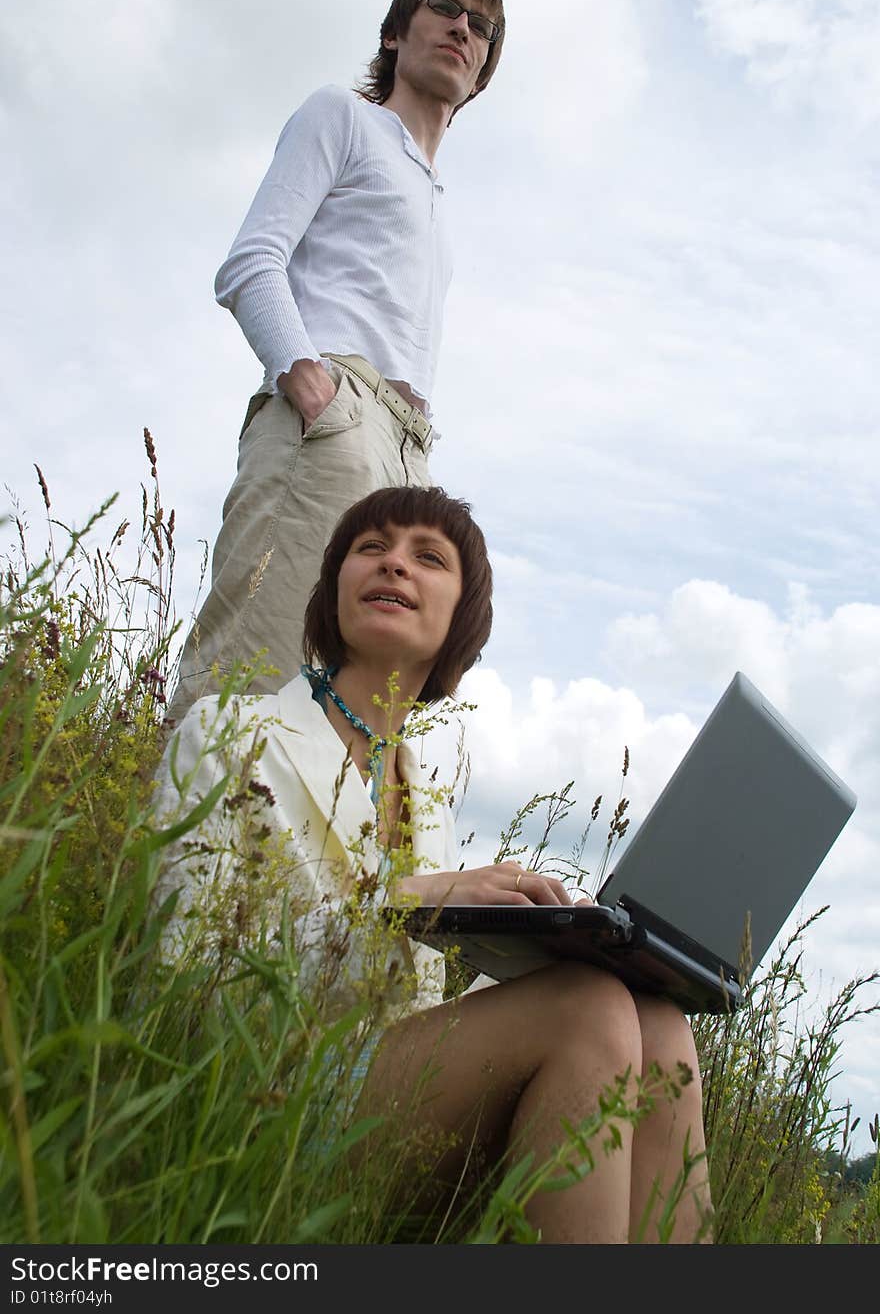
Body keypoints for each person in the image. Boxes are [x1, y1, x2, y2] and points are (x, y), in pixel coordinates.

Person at [154, 485, 713, 1244]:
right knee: (588, 1009)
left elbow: (409, 1015)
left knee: (656, 1019)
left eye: (428, 557)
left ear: (462, 617)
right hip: (268, 1099)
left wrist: (551, 946)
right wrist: (404, 897)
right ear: (335, 588)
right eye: (371, 546)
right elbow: (192, 977)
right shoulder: (229, 733)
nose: (395, 564)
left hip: (392, 1095)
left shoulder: (429, 803)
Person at [164, 0, 505, 728]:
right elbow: (252, 262)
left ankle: (294, 855)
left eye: (480, 27)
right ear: (395, 34)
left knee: (351, 707)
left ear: (482, 73)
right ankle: (175, 848)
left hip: (408, 447)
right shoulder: (343, 118)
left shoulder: (436, 197)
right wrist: (311, 387)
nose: (462, 28)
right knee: (255, 670)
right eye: (443, 9)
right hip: (334, 417)